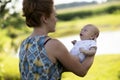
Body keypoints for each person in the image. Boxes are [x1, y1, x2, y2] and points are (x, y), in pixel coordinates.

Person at [19, 0, 96, 80]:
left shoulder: (24, 44)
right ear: (45, 18)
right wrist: (92, 46)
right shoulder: (53, 45)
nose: (56, 20)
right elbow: (82, 71)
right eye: (55, 15)